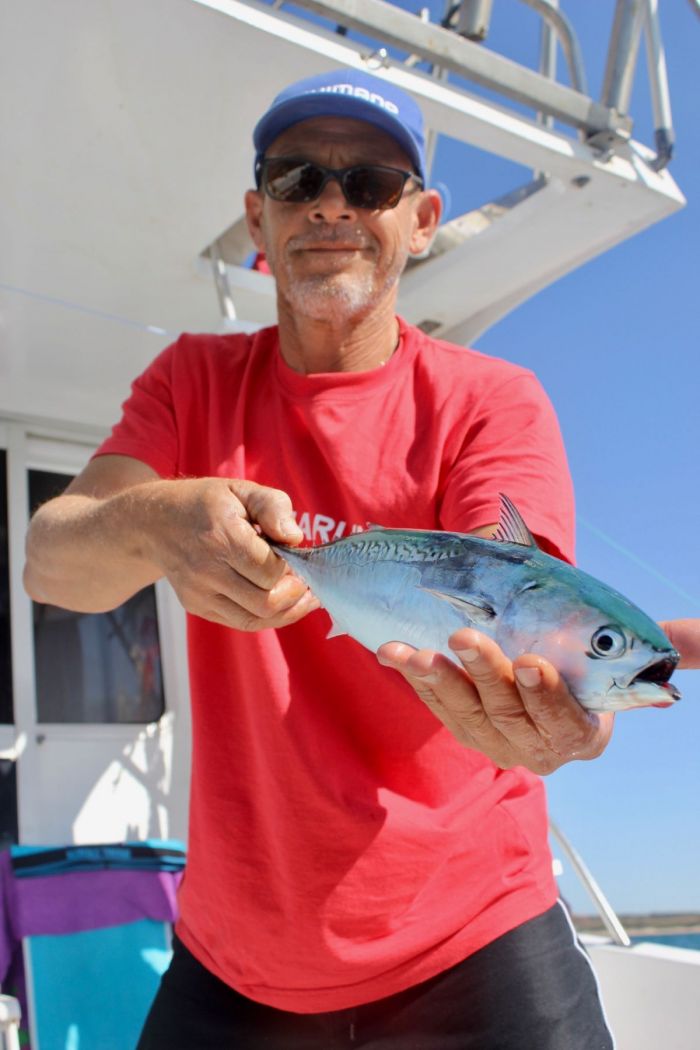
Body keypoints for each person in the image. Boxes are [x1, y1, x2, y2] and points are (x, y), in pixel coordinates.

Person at [25, 67, 655, 1049]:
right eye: (296, 179)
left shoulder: (491, 401)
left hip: (472, 932)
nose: (330, 202)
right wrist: (158, 519)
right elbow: (50, 565)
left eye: (369, 184)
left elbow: (534, 613)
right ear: (258, 216)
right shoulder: (191, 381)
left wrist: (564, 721)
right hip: (237, 953)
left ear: (420, 218)